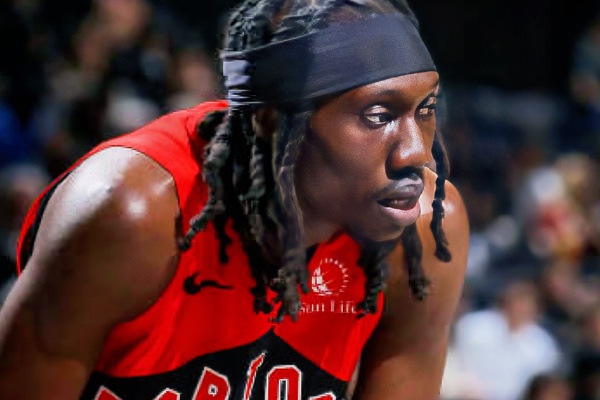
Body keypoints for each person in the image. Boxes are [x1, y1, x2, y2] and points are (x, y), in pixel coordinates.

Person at [0, 0, 469, 399]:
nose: (417, 152)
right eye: (378, 115)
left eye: (425, 110)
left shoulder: (425, 231)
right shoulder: (131, 213)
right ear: (270, 119)